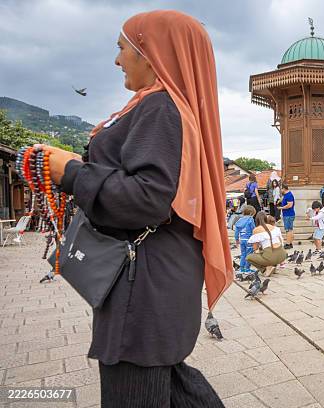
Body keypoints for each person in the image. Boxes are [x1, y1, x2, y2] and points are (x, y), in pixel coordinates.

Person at [43, 10, 229, 406]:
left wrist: (72, 172)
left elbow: (148, 198)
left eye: (121, 47)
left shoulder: (160, 108)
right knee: (169, 386)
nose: (116, 60)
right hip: (153, 285)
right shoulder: (159, 108)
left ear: (150, 52)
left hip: (143, 289)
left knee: (138, 391)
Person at [247, 211, 287, 277]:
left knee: (249, 257)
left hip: (270, 255)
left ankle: (265, 270)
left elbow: (255, 248)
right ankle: (273, 266)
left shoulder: (256, 229)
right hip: (282, 255)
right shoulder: (274, 227)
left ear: (256, 220)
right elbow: (281, 241)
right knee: (267, 253)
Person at [234, 205, 257, 275]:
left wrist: (237, 239)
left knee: (243, 254)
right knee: (249, 255)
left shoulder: (239, 220)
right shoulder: (250, 220)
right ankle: (247, 269)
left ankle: (241, 268)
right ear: (251, 213)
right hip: (249, 240)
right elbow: (253, 230)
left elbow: (236, 231)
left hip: (242, 240)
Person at [278, 183, 295, 249]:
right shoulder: (286, 195)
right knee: (290, 230)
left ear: (284, 189)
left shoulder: (289, 195)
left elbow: (290, 205)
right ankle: (290, 243)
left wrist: (281, 208)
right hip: (288, 215)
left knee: (288, 230)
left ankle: (288, 244)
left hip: (288, 215)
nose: (280, 190)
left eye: (281, 189)